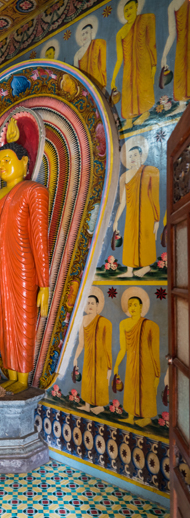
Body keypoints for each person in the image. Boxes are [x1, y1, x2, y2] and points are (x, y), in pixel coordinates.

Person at [0, 117, 49, 393]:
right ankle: (13, 375)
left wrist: (45, 284)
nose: (2, 166)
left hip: (25, 266)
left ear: (26, 164)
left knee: (24, 319)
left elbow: (39, 239)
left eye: (7, 160)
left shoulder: (34, 192)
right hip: (0, 266)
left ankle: (24, 378)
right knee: (5, 317)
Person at [113, 142, 160, 277]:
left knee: (146, 238)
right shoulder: (125, 176)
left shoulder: (151, 171)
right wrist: (116, 221)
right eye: (130, 156)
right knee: (130, 239)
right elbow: (122, 202)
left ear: (141, 155)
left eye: (135, 155)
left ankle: (146, 267)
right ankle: (129, 271)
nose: (132, 158)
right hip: (131, 214)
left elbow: (154, 196)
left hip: (147, 212)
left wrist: (157, 219)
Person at [114, 294, 160, 427]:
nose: (132, 307)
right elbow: (123, 349)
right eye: (129, 305)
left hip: (147, 364)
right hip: (131, 362)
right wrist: (116, 365)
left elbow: (154, 351)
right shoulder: (124, 324)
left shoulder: (151, 325)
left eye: (135, 305)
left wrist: (157, 373)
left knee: (146, 389)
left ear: (141, 306)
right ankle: (130, 417)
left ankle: (147, 418)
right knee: (130, 388)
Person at [111, 0, 156, 130]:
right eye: (125, 10)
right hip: (128, 67)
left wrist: (154, 65)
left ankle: (145, 112)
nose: (128, 12)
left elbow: (151, 43)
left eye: (130, 8)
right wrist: (113, 79)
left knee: (143, 87)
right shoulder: (120, 33)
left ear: (137, 7)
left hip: (144, 61)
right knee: (128, 91)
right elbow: (119, 58)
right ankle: (129, 119)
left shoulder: (146, 20)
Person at [73, 293, 112, 414]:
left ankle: (100, 406)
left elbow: (108, 346)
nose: (90, 305)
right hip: (88, 356)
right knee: (87, 380)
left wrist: (109, 367)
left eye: (92, 303)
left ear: (97, 305)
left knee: (100, 380)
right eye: (88, 303)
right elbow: (81, 343)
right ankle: (87, 405)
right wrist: (75, 358)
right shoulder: (83, 320)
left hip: (101, 358)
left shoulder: (105, 322)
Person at [161, 0, 190, 116]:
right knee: (181, 71)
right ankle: (182, 105)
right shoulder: (172, 5)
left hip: (183, 43)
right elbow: (172, 33)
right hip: (182, 44)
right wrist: (164, 55)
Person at [74, 22, 107, 90]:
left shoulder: (98, 44)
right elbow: (76, 75)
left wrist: (104, 83)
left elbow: (102, 66)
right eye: (83, 34)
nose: (85, 36)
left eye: (86, 33)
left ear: (91, 33)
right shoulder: (78, 54)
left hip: (98, 83)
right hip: (85, 87)